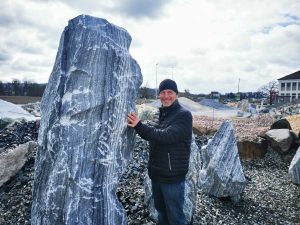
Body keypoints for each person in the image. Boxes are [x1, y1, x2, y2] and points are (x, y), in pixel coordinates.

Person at [127, 79, 192, 225]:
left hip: (172, 178)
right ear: (159, 95)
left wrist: (139, 125)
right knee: (161, 213)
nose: (166, 96)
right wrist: (134, 124)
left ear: (176, 94)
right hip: (156, 175)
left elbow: (165, 137)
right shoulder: (158, 114)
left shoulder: (184, 115)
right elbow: (151, 134)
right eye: (162, 92)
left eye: (170, 92)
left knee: (175, 217)